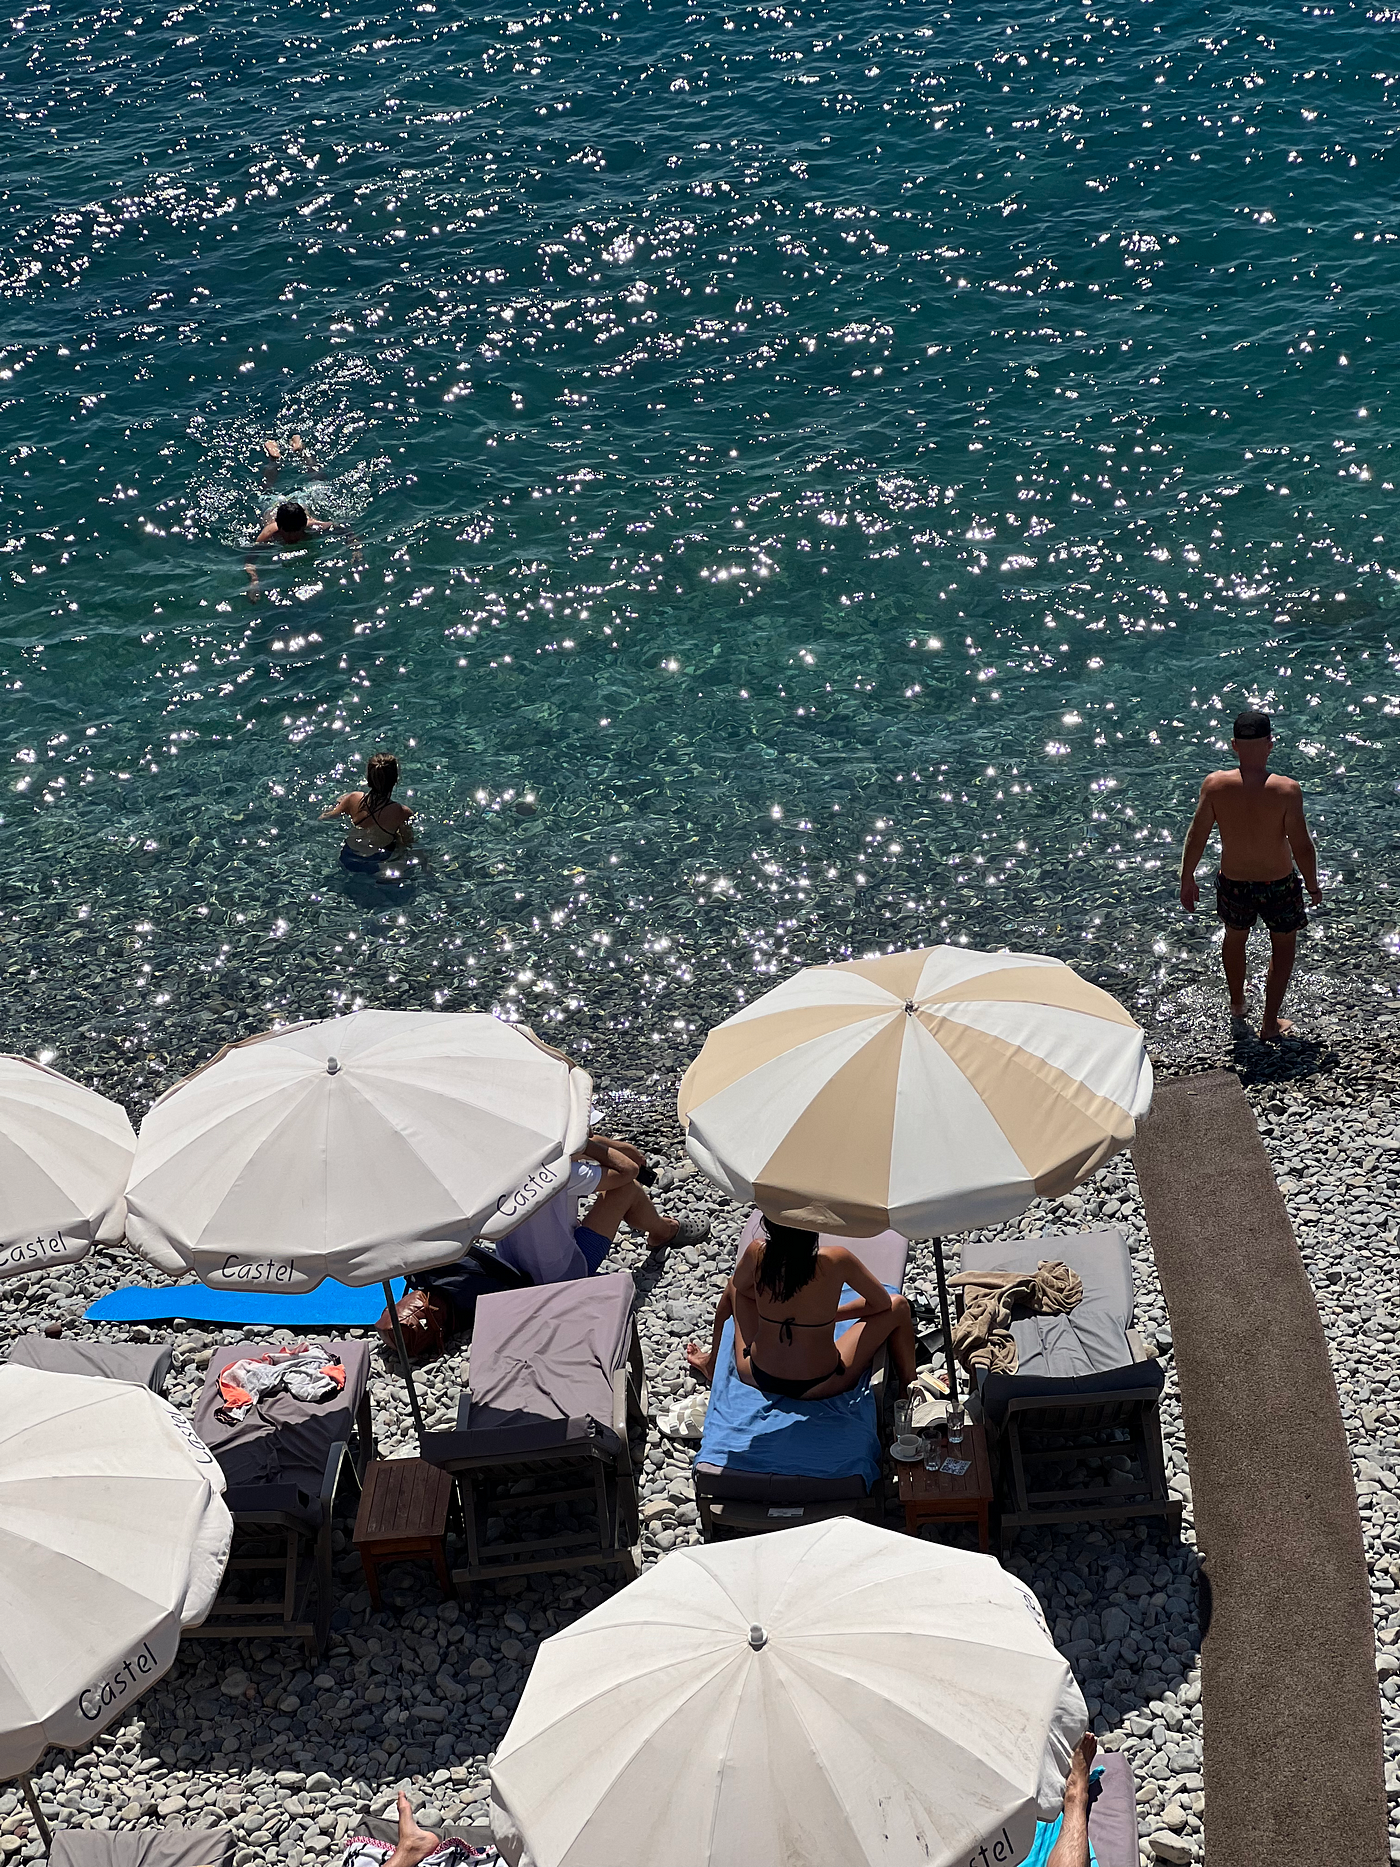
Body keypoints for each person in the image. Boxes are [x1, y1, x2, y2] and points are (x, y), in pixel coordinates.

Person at [1178, 708, 1321, 1041]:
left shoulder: (1215, 786)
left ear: (1234, 746)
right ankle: (1270, 1024)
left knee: (1235, 937)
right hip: (1279, 884)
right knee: (1283, 948)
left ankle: (1238, 1003)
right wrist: (1312, 884)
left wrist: (1187, 877)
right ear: (1270, 744)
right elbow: (1302, 844)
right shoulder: (1286, 790)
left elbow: (1196, 834)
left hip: (1235, 883)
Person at [685, 1216, 916, 1400]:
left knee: (733, 1286)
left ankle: (712, 1363)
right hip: (822, 1383)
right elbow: (882, 1303)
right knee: (899, 1305)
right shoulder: (836, 1260)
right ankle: (909, 1389)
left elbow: (741, 1288)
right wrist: (829, 1316)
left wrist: (772, 1308)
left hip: (757, 1373)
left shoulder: (758, 1253)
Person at [489, 1134, 710, 1284]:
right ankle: (664, 1231)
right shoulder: (560, 1173)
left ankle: (652, 1224)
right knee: (627, 1189)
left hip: (511, 1272)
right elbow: (628, 1171)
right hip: (563, 1276)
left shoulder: (498, 1161)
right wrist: (590, 1145)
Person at [320, 753, 414, 875]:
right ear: (395, 780)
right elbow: (408, 843)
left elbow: (324, 817)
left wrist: (339, 803)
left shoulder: (353, 798)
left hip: (348, 856)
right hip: (376, 861)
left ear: (368, 778)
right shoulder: (402, 812)